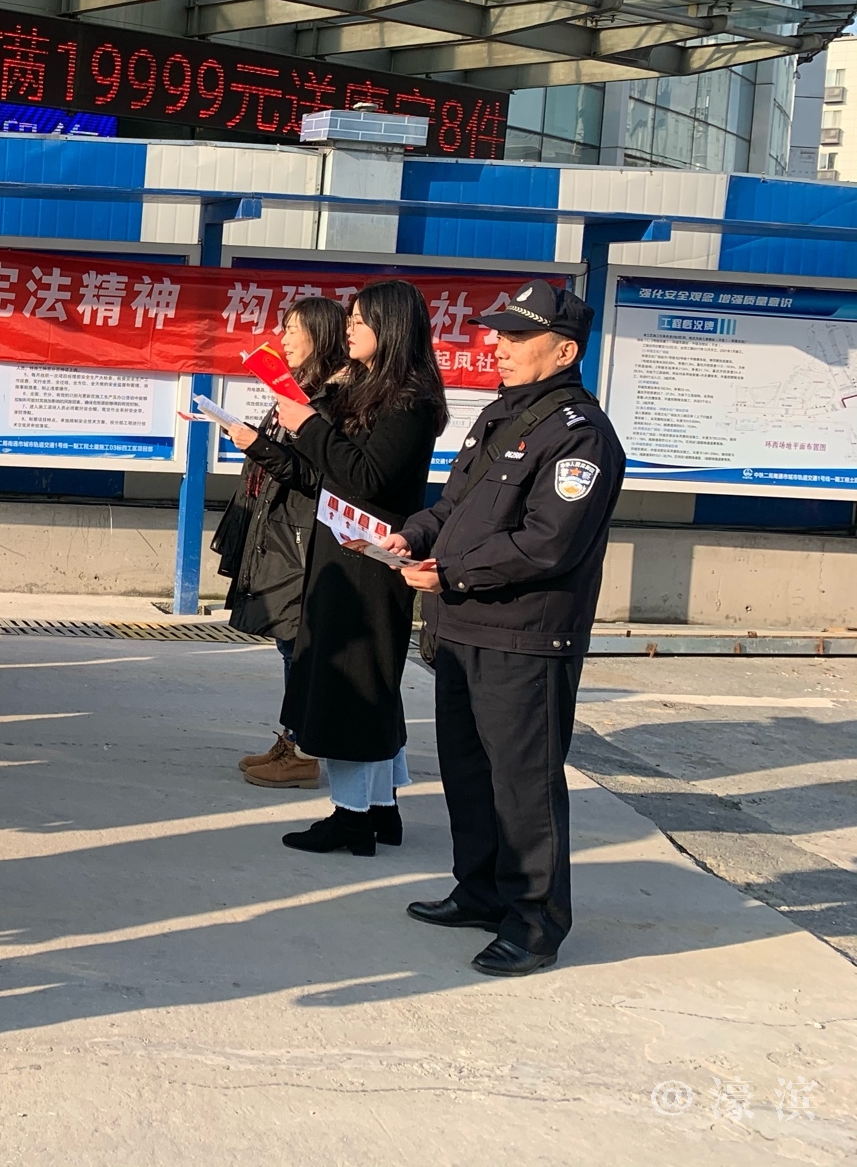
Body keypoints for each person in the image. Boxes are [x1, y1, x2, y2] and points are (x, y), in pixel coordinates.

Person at [380, 279, 626, 977]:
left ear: (564, 351)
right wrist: (411, 537)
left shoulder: (581, 435)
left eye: (518, 337)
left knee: (524, 786)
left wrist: (452, 573)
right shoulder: (502, 415)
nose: (498, 346)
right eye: (499, 333)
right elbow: (453, 506)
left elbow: (549, 544)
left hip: (524, 637)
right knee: (470, 774)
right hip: (463, 629)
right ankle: (482, 891)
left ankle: (535, 924)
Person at [272, 279, 446, 858]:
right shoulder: (370, 390)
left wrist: (309, 427)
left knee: (354, 687)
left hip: (371, 561)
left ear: (391, 329)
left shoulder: (409, 402)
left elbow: (368, 477)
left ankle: (351, 818)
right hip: (345, 551)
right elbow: (331, 470)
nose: (348, 329)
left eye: (360, 321)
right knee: (364, 686)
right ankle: (379, 808)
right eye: (349, 319)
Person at [220, 295, 350, 789]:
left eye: (294, 329)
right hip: (278, 530)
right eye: (284, 328)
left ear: (321, 333)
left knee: (298, 647)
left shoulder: (329, 401)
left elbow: (316, 475)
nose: (284, 339)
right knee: (287, 643)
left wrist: (258, 447)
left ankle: (301, 751)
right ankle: (292, 741)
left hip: (303, 538)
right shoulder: (299, 390)